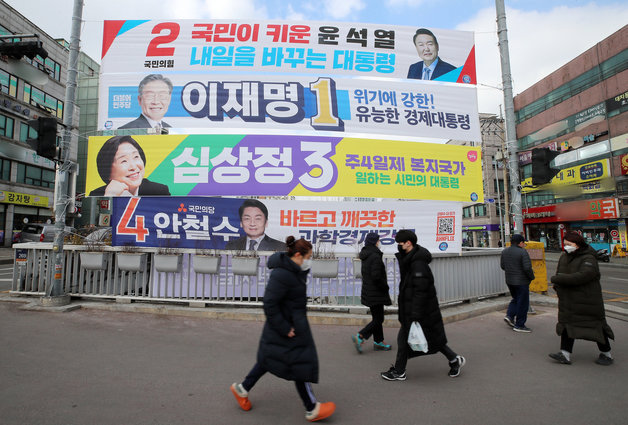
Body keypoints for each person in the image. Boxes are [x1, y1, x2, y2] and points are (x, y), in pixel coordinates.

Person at [230, 236, 336, 422]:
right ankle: (312, 408)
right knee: (300, 365)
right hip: (288, 328)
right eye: (308, 257)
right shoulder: (282, 274)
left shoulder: (293, 271)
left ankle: (242, 389)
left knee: (268, 359)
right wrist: (285, 327)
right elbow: (270, 303)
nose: (309, 261)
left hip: (289, 326)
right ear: (297, 255)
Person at [381, 229, 465, 381]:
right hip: (416, 309)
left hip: (420, 311)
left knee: (410, 340)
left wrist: (415, 314)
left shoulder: (418, 263)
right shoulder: (410, 260)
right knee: (432, 339)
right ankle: (454, 359)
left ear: (409, 243)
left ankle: (400, 371)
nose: (398, 247)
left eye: (400, 244)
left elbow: (421, 291)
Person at [548, 231, 615, 366]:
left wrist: (558, 279)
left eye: (569, 244)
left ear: (578, 244)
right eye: (565, 244)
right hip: (569, 300)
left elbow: (583, 276)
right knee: (567, 326)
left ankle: (607, 354)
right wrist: (558, 286)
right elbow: (559, 273)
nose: (566, 246)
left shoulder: (589, 258)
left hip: (587, 300)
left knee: (596, 327)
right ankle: (565, 354)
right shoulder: (564, 257)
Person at [351, 232, 393, 353]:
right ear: (375, 242)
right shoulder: (374, 256)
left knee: (377, 317)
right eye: (378, 240)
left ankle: (378, 341)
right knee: (379, 319)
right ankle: (361, 336)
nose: (379, 242)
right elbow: (376, 276)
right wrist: (385, 287)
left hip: (370, 291)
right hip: (376, 292)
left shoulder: (366, 254)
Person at [89, 135, 171, 196]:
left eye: (136, 157)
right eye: (124, 161)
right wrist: (109, 197)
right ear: (107, 171)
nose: (133, 167)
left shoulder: (159, 191)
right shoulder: (97, 194)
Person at [500, 234, 535, 333]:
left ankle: (510, 316)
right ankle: (519, 325)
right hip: (522, 281)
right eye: (524, 243)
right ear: (520, 243)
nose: (524, 245)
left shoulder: (505, 251)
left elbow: (503, 266)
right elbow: (527, 268)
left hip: (510, 281)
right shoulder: (523, 252)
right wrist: (532, 277)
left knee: (516, 298)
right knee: (523, 302)